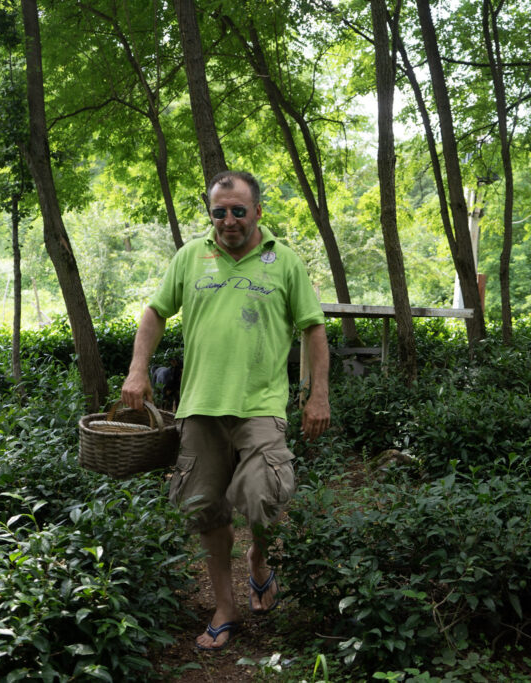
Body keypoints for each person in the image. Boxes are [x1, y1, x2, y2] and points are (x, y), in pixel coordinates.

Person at [121, 170, 330, 651]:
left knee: (262, 494)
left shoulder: (284, 261)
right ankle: (225, 607)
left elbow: (313, 328)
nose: (229, 220)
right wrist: (137, 369)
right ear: (210, 212)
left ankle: (258, 559)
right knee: (204, 508)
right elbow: (155, 311)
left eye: (239, 210)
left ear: (258, 210)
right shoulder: (190, 257)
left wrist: (318, 394)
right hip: (200, 407)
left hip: (260, 405)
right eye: (220, 211)